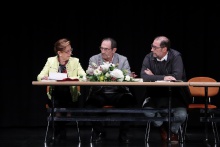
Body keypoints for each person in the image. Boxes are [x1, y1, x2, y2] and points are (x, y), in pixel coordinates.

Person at [85, 37, 137, 144]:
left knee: (129, 103)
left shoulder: (123, 60)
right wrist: (98, 74)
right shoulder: (94, 59)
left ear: (114, 50)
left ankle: (123, 134)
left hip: (118, 92)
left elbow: (127, 75)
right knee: (90, 106)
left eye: (106, 49)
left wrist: (118, 76)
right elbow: (89, 76)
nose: (102, 51)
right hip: (100, 92)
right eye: (101, 48)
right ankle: (100, 132)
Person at [140, 36, 189, 143]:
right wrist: (163, 78)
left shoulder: (176, 56)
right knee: (148, 112)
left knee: (181, 115)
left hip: (174, 95)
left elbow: (177, 77)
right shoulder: (148, 57)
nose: (151, 49)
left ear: (164, 49)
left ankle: (173, 131)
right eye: (152, 46)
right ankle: (162, 128)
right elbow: (144, 76)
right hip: (154, 95)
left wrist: (153, 76)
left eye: (154, 47)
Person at [37, 38, 86, 142]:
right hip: (55, 94)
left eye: (70, 50)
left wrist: (72, 78)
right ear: (59, 53)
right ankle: (60, 128)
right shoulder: (50, 61)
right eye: (67, 51)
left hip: (71, 95)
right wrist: (44, 78)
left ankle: (58, 131)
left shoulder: (75, 61)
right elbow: (40, 76)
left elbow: (83, 76)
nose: (70, 53)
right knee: (57, 96)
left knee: (60, 102)